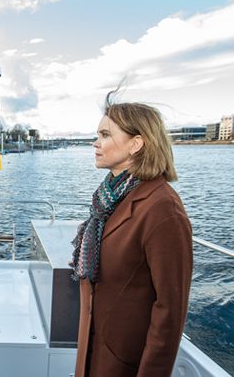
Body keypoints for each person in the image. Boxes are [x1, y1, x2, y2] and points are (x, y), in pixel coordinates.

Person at [71, 92, 193, 377]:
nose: (95, 143)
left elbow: (170, 312)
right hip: (93, 353)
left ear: (136, 144)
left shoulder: (162, 208)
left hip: (124, 363)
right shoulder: (109, 199)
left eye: (105, 135)